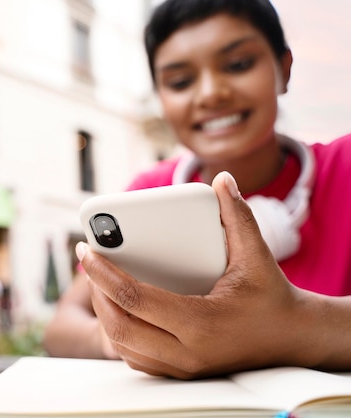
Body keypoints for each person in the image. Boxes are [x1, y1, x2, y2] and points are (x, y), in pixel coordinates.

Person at [42, 0, 351, 379]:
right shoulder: (145, 193)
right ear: (160, 97)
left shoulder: (345, 167)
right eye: (180, 82)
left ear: (284, 69)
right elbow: (60, 328)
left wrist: (290, 326)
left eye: (238, 64)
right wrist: (117, 338)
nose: (210, 93)